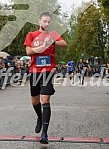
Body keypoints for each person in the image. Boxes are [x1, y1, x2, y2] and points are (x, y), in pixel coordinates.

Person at [24, 11, 67, 144]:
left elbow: (64, 44)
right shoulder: (32, 35)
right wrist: (42, 46)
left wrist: (52, 41)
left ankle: (44, 134)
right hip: (35, 70)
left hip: (48, 70)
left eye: (49, 22)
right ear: (39, 21)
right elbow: (28, 51)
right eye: (44, 21)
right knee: (35, 102)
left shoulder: (52, 34)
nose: (46, 24)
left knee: (45, 100)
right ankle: (39, 117)